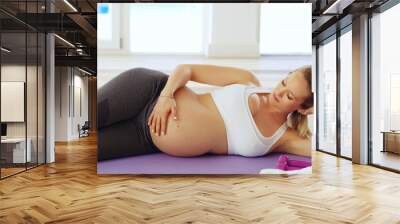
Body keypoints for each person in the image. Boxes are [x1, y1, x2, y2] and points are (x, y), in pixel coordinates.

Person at [97, 64, 313, 161]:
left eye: (290, 96)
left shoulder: (283, 137)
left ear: (303, 108)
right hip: (149, 92)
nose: (279, 91)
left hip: (145, 140)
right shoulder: (248, 80)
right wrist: (166, 96)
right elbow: (186, 70)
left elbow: (327, 151)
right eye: (284, 82)